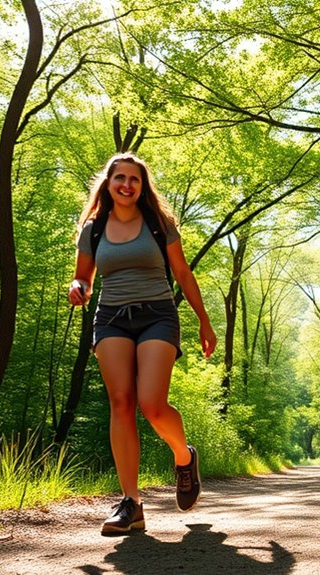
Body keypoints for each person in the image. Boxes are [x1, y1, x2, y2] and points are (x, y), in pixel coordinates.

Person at [69, 152, 217, 535]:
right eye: (120, 178)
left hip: (157, 315)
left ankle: (183, 457)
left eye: (134, 179)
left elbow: (182, 272)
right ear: (108, 183)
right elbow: (84, 277)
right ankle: (131, 503)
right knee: (121, 402)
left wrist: (204, 321)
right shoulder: (93, 229)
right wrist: (77, 288)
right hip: (111, 317)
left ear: (142, 185)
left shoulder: (158, 223)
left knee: (151, 404)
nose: (127, 185)